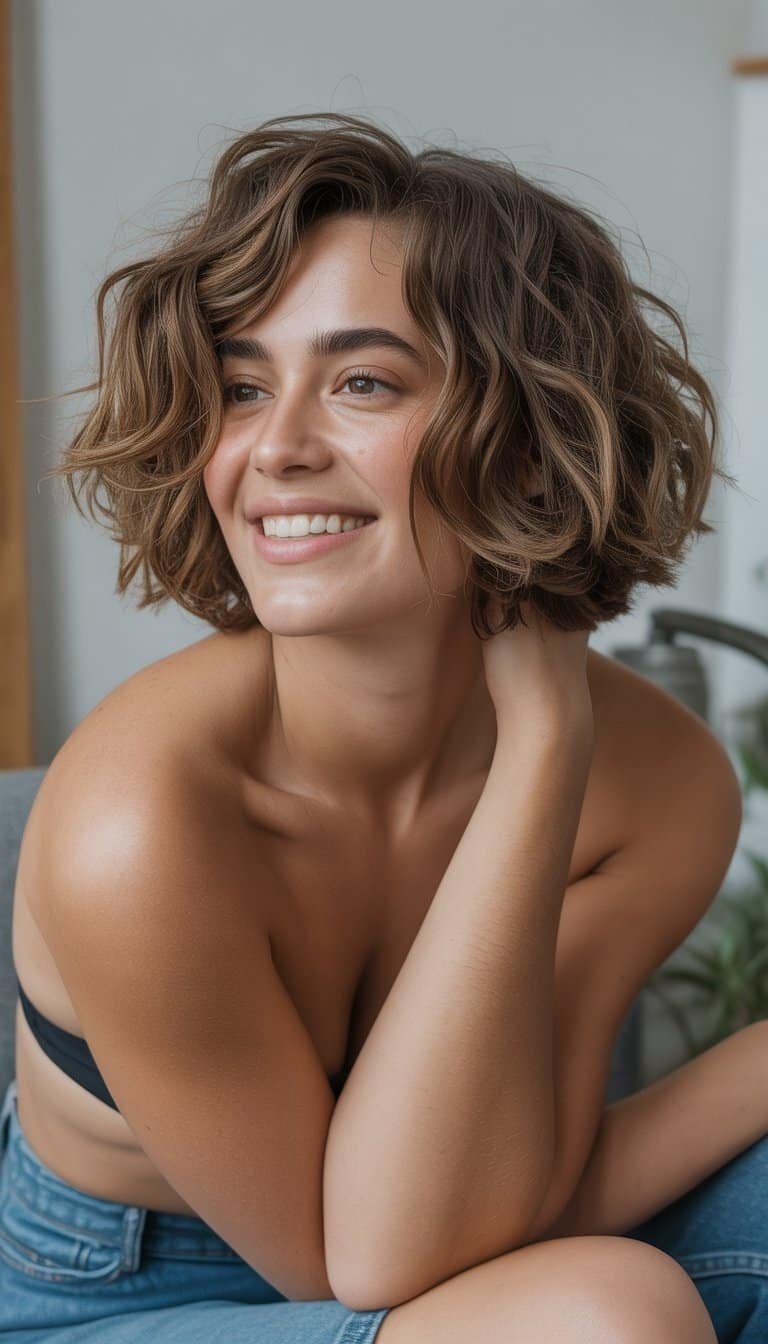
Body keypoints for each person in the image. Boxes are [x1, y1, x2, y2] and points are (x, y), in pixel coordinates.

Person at [0, 110, 762, 1343]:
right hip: (131, 1296)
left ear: (528, 437)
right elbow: (364, 1263)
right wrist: (547, 752)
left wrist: (546, 741)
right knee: (603, 1316)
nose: (278, 447)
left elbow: (515, 1195)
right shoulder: (141, 819)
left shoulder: (664, 783)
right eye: (243, 387)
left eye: (361, 381)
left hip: (457, 1227)